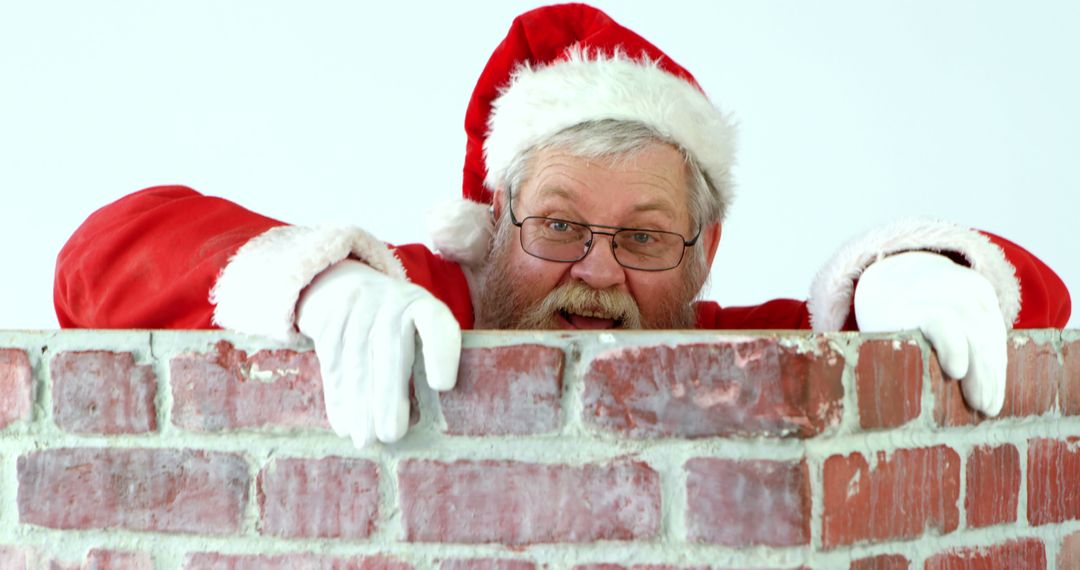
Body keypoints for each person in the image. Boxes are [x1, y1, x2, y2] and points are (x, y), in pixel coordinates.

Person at [55, 4, 1070, 448]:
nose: (599, 272)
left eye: (643, 236)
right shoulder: (404, 301)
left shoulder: (729, 347)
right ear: (491, 226)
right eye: (558, 226)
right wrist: (317, 285)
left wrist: (916, 271)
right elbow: (101, 256)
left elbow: (1041, 303)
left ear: (703, 249)